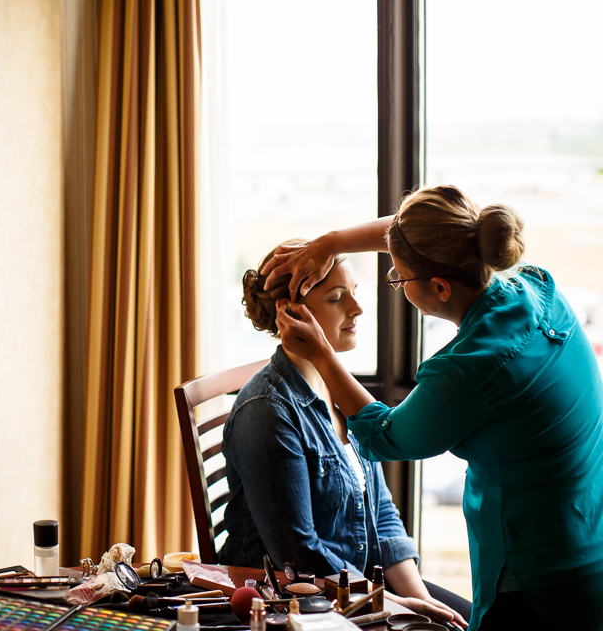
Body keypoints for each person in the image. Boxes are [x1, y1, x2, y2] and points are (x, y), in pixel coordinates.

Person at [262, 185, 603, 631]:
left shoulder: (471, 367)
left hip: (539, 582)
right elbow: (436, 235)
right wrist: (333, 242)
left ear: (438, 287)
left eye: (398, 277)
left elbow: (384, 436)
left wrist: (325, 357)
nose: (362, 306)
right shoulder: (538, 287)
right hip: (590, 541)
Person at [220, 240, 468, 627]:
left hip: (361, 587)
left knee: (469, 620)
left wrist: (418, 600)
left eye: (355, 292)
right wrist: (391, 602)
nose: (358, 308)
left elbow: (382, 514)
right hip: (299, 603)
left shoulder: (338, 392)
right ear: (292, 314)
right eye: (337, 298)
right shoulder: (267, 411)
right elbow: (299, 555)